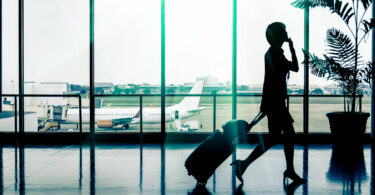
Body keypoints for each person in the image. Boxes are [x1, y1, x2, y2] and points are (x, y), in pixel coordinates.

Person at [230, 22, 306, 185]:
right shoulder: (276, 54)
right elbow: (295, 67)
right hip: (277, 104)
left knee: (273, 139)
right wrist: (292, 47)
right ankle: (289, 170)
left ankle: (244, 164)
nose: (287, 32)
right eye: (284, 31)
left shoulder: (273, 53)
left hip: (274, 103)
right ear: (279, 35)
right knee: (287, 136)